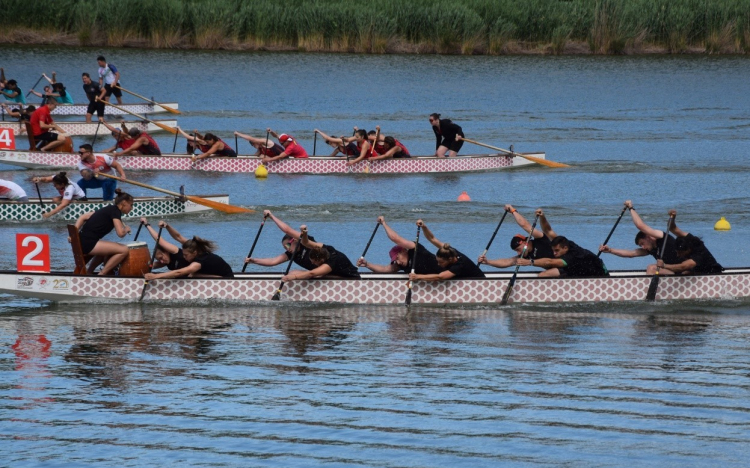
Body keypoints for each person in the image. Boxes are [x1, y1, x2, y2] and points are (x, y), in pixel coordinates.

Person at [516, 209, 608, 277]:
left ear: (565, 248)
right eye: (553, 250)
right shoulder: (563, 242)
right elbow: (548, 230)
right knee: (543, 275)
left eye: (557, 251)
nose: (554, 253)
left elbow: (549, 262)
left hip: (598, 274)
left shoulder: (571, 255)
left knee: (544, 275)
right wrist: (542, 216)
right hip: (579, 269)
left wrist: (530, 262)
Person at [598, 200, 681, 275]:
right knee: (652, 268)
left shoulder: (660, 236)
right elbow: (630, 254)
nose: (643, 247)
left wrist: (630, 207)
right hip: (673, 272)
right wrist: (610, 250)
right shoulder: (651, 249)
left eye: (642, 243)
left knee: (651, 268)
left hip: (683, 271)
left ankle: (649, 291)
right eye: (641, 246)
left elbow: (641, 226)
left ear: (648, 237)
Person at [73, 189, 133, 275]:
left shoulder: (109, 209)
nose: (132, 208)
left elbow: (83, 216)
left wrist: (75, 233)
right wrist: (126, 229)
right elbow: (120, 233)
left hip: (82, 240)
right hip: (88, 243)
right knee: (124, 250)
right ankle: (102, 274)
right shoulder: (116, 212)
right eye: (131, 205)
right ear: (124, 203)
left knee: (106, 250)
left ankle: (89, 272)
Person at [357, 216, 443, 275]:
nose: (397, 262)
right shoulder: (401, 264)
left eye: (397, 258)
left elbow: (395, 238)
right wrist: (367, 264)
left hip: (447, 273)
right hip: (433, 279)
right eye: (395, 260)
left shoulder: (414, 248)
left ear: (403, 251)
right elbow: (385, 269)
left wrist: (384, 223)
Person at [478, 204, 555, 269]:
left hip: (563, 263)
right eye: (516, 251)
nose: (518, 253)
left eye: (518, 249)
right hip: (554, 270)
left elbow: (525, 225)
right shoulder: (524, 256)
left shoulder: (540, 239)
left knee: (542, 275)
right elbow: (507, 262)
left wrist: (513, 211)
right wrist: (487, 262)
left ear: (524, 243)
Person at [407, 220, 485, 282]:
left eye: (441, 262)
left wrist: (417, 277)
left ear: (450, 259)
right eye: (438, 261)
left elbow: (440, 277)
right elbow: (432, 239)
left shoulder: (459, 264)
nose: (438, 264)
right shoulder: (449, 250)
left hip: (480, 283)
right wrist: (424, 226)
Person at [244, 210, 320, 271]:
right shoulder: (291, 254)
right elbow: (273, 261)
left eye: (288, 245)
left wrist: (271, 216)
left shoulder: (306, 241)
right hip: (319, 274)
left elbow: (287, 230)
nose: (288, 249)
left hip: (329, 268)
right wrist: (253, 261)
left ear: (295, 240)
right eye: (285, 248)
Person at [655, 209, 723, 275]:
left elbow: (683, 266)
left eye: (681, 253)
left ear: (688, 249)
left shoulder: (699, 252)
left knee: (685, 271)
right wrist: (672, 218)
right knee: (685, 273)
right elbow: (672, 228)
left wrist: (664, 265)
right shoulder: (688, 238)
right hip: (699, 270)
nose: (678, 255)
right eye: (677, 252)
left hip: (712, 273)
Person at [280, 225, 360, 281]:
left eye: (314, 262)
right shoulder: (325, 248)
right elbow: (306, 242)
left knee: (313, 274)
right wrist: (304, 232)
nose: (312, 263)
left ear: (321, 259)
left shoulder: (330, 263)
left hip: (351, 278)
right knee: (295, 272)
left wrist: (292, 277)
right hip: (336, 274)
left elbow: (311, 273)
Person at [144, 236, 234, 279]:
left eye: (186, 255)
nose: (183, 257)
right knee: (191, 275)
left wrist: (156, 276)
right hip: (219, 275)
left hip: (228, 279)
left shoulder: (198, 263)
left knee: (190, 274)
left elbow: (179, 272)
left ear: (194, 253)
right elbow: (178, 236)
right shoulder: (196, 252)